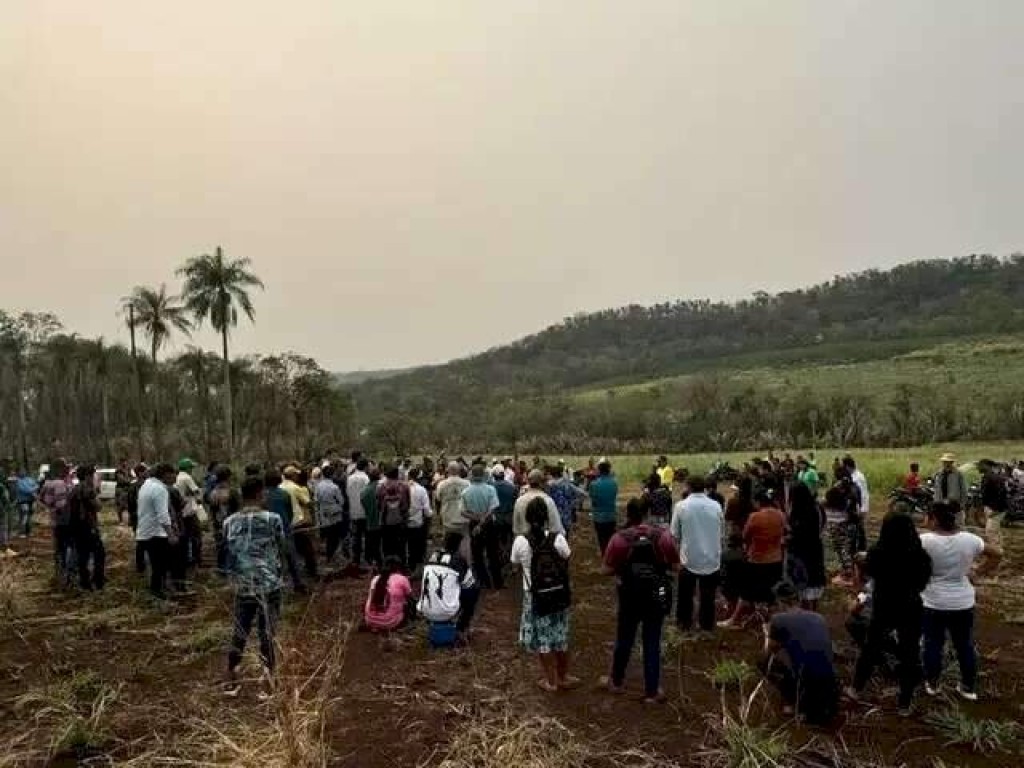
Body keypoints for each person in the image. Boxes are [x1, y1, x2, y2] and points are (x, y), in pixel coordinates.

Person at [844, 513, 931, 714]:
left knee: (870, 647)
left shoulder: (877, 553)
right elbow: (922, 583)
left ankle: (856, 689)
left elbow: (870, 574)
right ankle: (904, 703)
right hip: (911, 605)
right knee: (909, 653)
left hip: (884, 605)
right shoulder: (920, 555)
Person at [920, 501, 1002, 701]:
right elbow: (997, 554)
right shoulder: (970, 539)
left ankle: (933, 684)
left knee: (932, 644)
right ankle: (968, 687)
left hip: (933, 602)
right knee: (964, 645)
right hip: (963, 602)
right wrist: (977, 571)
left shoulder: (924, 541)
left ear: (934, 519)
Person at [601, 497, 679, 701]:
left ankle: (616, 681)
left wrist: (622, 569)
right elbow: (676, 566)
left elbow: (606, 569)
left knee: (624, 639)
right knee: (652, 641)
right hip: (656, 595)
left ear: (628, 514)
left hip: (629, 596)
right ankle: (652, 691)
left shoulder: (619, 539)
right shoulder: (663, 537)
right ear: (648, 512)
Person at [224, 474, 286, 698]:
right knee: (267, 632)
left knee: (240, 631)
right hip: (269, 583)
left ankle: (231, 678)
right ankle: (268, 681)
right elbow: (281, 546)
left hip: (243, 583)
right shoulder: (273, 519)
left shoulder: (229, 522)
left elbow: (230, 553)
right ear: (261, 493)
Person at [511, 497, 576, 693]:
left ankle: (551, 680)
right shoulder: (558, 538)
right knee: (561, 636)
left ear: (527, 518)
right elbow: (567, 556)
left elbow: (514, 563)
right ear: (547, 517)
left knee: (543, 640)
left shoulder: (521, 541)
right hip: (558, 594)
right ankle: (563, 676)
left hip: (534, 596)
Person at [761, 582, 839, 725]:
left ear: (780, 602)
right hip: (831, 681)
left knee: (765, 662)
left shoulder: (778, 619)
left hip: (806, 680)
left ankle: (793, 700)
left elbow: (769, 651)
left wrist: (767, 633)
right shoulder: (819, 617)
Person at [720, 491, 786, 628]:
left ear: (758, 502)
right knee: (769, 589)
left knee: (746, 591)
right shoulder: (780, 514)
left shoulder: (755, 516)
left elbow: (745, 536)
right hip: (776, 560)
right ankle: (772, 619)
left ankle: (735, 620)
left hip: (758, 560)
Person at [670, 475, 723, 632]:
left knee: (685, 595)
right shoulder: (716, 506)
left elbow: (674, 534)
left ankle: (684, 623)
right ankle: (706, 625)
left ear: (688, 487)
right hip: (712, 558)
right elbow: (720, 532)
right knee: (708, 596)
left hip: (689, 558)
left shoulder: (681, 506)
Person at [418, 533, 480, 644]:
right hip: (446, 611)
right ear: (459, 545)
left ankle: (436, 621)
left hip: (425, 609)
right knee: (473, 589)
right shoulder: (458, 560)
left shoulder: (431, 556)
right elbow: (469, 587)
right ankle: (461, 628)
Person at [136, 463, 177, 599]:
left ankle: (156, 590)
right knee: (160, 565)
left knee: (154, 564)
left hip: (144, 531)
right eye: (173, 474)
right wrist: (171, 534)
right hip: (156, 533)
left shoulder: (146, 485)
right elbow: (163, 515)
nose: (174, 477)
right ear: (166, 474)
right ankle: (157, 593)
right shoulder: (160, 489)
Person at [265, 468, 306, 593]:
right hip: (285, 528)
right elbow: (290, 512)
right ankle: (298, 583)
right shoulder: (284, 494)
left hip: (268, 531)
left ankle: (277, 585)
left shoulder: (263, 496)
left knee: (274, 559)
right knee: (292, 558)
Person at [462, 463, 502, 589]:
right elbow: (493, 508)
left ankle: (484, 581)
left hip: (474, 524)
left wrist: (477, 520)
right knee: (493, 553)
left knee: (477, 554)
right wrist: (483, 520)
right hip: (488, 524)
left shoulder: (466, 492)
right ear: (484, 475)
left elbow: (463, 512)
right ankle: (497, 582)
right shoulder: (490, 489)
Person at [787, 483, 826, 610]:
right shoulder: (818, 507)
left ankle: (806, 609)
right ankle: (813, 608)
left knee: (804, 580)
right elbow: (822, 525)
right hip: (816, 547)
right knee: (815, 578)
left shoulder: (800, 511)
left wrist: (788, 537)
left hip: (802, 551)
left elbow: (797, 533)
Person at [66, 464, 105, 590]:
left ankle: (85, 582)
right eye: (93, 475)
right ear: (88, 476)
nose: (94, 478)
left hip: (76, 527)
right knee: (99, 553)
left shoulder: (74, 490)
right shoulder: (87, 489)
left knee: (83, 555)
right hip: (88, 526)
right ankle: (98, 581)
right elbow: (98, 506)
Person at [39, 461, 73, 585]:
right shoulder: (60, 484)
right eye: (66, 468)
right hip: (65, 521)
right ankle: (66, 576)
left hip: (54, 521)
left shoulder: (48, 483)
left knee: (59, 549)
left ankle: (59, 574)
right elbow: (61, 505)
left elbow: (42, 499)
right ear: (60, 469)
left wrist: (51, 508)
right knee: (68, 548)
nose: (68, 471)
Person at [363, 556, 415, 632]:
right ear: (399, 567)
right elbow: (411, 597)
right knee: (408, 602)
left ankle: (376, 621)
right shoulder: (402, 579)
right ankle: (409, 623)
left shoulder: (376, 578)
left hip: (370, 621)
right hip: (390, 622)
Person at [282, 466, 317, 578]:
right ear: (292, 475)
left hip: (286, 522)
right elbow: (307, 502)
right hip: (298, 521)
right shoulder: (295, 488)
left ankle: (295, 572)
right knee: (307, 548)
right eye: (296, 474)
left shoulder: (280, 487)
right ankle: (312, 572)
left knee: (291, 549)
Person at [377, 465, 411, 565]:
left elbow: (378, 505)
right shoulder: (404, 486)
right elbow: (408, 504)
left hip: (386, 521)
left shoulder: (381, 487)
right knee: (401, 546)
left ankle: (388, 566)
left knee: (387, 545)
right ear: (397, 474)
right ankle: (402, 566)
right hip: (401, 521)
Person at [315, 463, 347, 566]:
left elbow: (316, 500)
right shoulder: (334, 487)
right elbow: (341, 501)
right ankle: (332, 555)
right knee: (335, 537)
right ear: (332, 475)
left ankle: (329, 556)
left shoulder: (318, 486)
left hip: (324, 514)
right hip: (335, 515)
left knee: (329, 536)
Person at [175, 458, 203, 567]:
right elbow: (196, 491)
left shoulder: (177, 477)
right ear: (187, 468)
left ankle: (186, 558)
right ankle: (196, 558)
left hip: (181, 511)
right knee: (196, 535)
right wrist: (199, 497)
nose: (192, 470)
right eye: (191, 468)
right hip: (189, 510)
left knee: (185, 536)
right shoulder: (187, 477)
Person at [587, 460, 619, 555]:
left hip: (599, 517)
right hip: (611, 516)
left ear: (599, 471)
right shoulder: (614, 483)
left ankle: (605, 556)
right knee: (610, 539)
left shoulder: (594, 484)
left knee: (602, 539)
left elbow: (593, 501)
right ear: (609, 470)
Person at [345, 458, 371, 569]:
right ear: (365, 467)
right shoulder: (365, 478)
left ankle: (356, 559)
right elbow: (367, 495)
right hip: (364, 511)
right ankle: (367, 558)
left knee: (356, 536)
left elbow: (347, 493)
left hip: (354, 510)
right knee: (367, 536)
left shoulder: (350, 478)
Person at [406, 468, 433, 574]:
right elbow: (426, 509)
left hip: (404, 522)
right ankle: (417, 569)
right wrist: (430, 515)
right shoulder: (421, 490)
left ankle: (409, 566)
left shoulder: (404, 487)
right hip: (417, 523)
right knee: (417, 546)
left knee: (408, 546)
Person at [435, 461, 470, 538]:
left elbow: (438, 498)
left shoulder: (442, 484)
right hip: (463, 518)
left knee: (448, 541)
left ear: (448, 470)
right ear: (459, 470)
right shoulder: (467, 484)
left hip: (448, 517)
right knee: (463, 541)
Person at [491, 466, 518, 564]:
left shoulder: (491, 487)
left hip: (497, 517)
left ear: (494, 475)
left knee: (498, 539)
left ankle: (501, 557)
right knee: (509, 538)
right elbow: (515, 502)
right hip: (509, 516)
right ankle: (509, 556)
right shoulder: (512, 487)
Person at [359, 467, 383, 571]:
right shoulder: (382, 488)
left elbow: (364, 506)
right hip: (383, 522)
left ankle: (374, 562)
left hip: (370, 522)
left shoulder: (364, 491)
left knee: (373, 544)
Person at [14, 467, 38, 539]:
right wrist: (32, 489)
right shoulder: (18, 481)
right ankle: (22, 532)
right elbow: (25, 490)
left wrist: (32, 489)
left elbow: (36, 485)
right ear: (18, 473)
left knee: (29, 517)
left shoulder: (29, 479)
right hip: (22, 501)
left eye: (23, 471)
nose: (23, 472)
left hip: (31, 500)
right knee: (24, 516)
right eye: (21, 471)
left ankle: (29, 531)